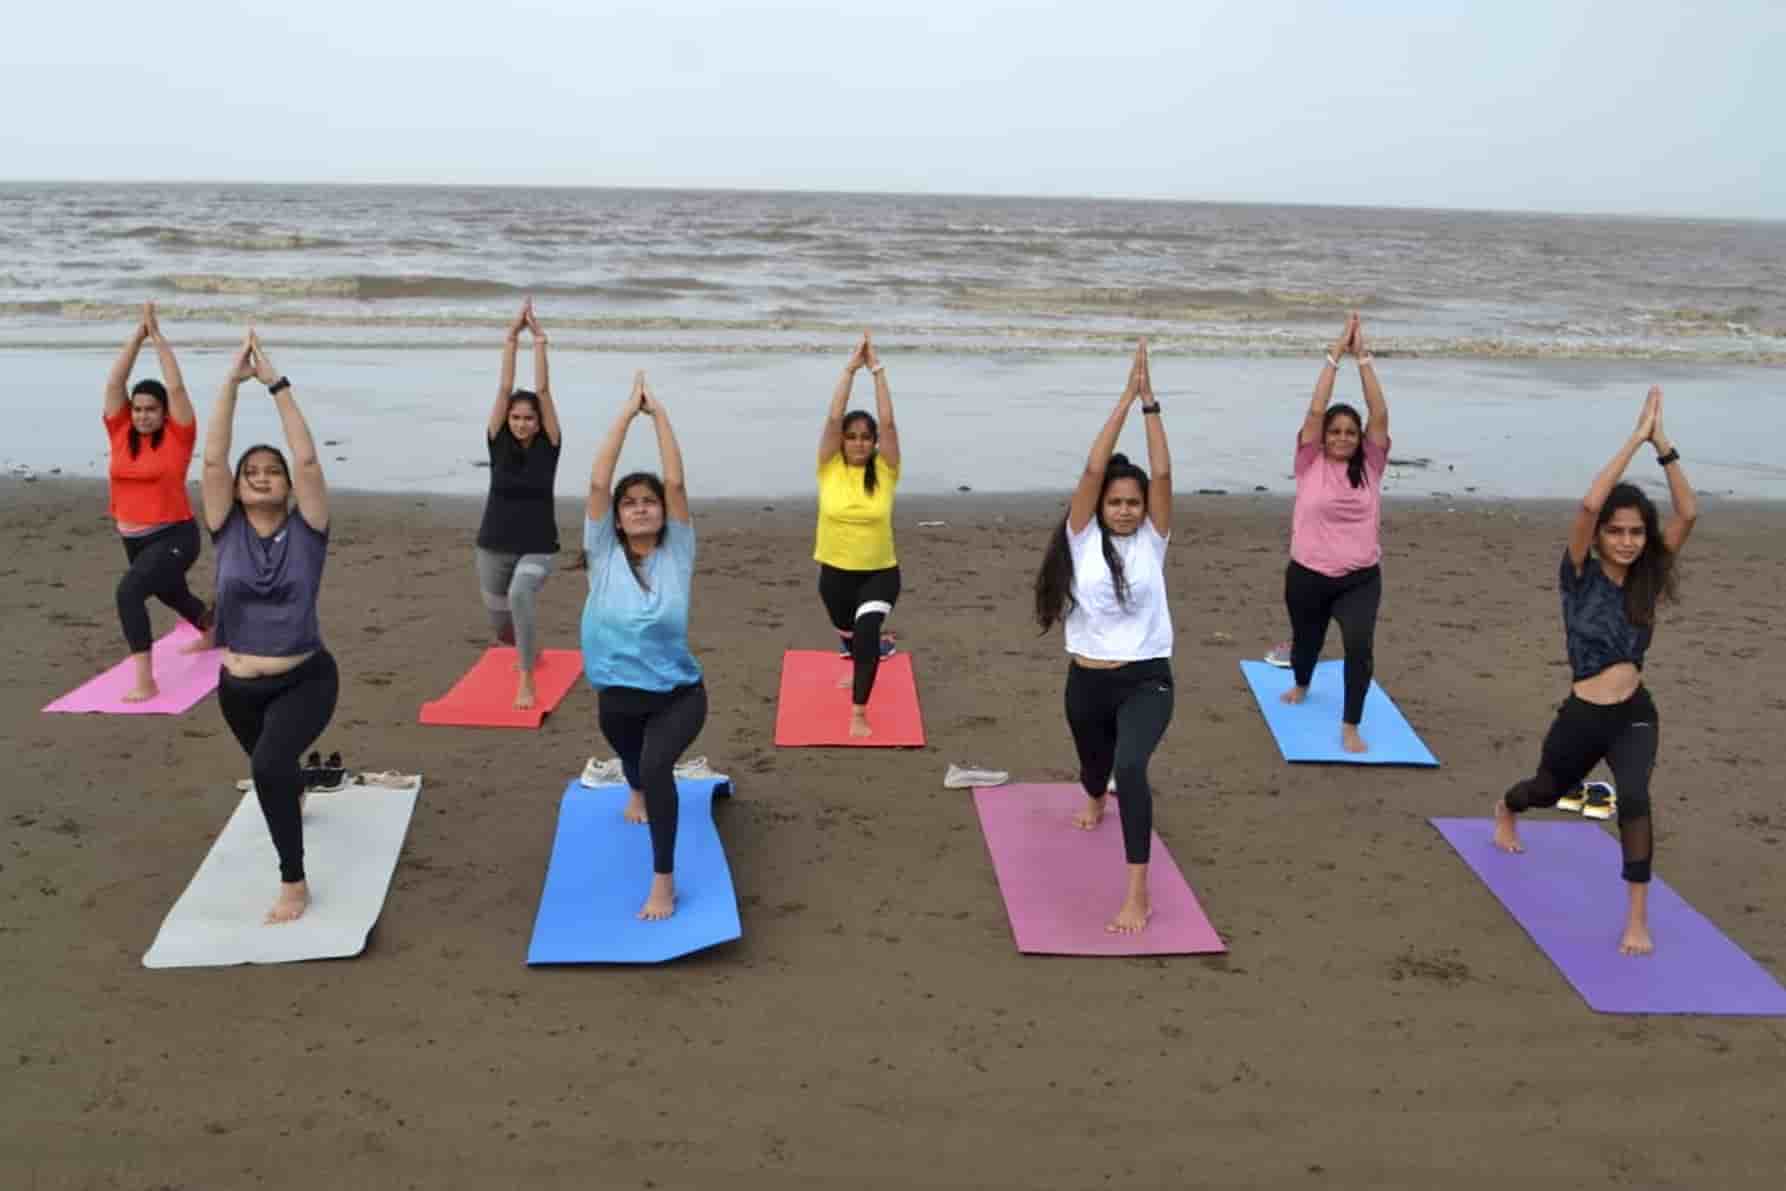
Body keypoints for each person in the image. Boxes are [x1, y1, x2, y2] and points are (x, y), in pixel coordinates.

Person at [1494, 386, 1696, 956]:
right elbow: (1587, 506)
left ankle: (1636, 917)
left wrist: (1665, 446)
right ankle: (1505, 809)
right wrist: (1634, 438)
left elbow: (1688, 513)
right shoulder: (1578, 573)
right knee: (1545, 788)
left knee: (1634, 798)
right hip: (1583, 715)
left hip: (1635, 712)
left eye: (1636, 532)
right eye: (1617, 531)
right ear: (1601, 535)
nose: (1628, 541)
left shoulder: (1648, 573)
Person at [1032, 341, 1173, 934]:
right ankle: (1094, 794)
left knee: (1133, 768)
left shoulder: (1153, 540)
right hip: (1085, 680)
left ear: (1145, 509)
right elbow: (1093, 468)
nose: (1122, 510)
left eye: (1132, 503)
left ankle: (1137, 893)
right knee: (1095, 769)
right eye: (1114, 502)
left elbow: (1162, 471)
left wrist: (1150, 405)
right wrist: (1121, 397)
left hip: (1146, 679)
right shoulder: (1081, 537)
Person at [201, 331, 337, 926]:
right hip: (236, 691)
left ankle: (293, 882)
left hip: (305, 677)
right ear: (235, 486)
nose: (261, 475)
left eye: (270, 471)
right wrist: (229, 387)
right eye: (249, 470)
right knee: (275, 770)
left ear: (286, 487)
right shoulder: (225, 528)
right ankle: (299, 783)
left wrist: (275, 385)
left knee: (265, 769)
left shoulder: (308, 530)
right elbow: (210, 460)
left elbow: (306, 459)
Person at [581, 372, 705, 922]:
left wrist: (657, 417)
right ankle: (632, 786)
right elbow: (596, 485)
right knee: (631, 758)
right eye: (629, 503)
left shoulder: (677, 552)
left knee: (657, 770)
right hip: (616, 698)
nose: (638, 508)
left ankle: (663, 882)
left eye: (647, 502)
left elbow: (676, 484)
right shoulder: (603, 554)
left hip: (678, 692)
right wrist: (621, 416)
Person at [1274, 313, 1392, 754]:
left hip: (1360, 577)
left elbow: (1380, 412)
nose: (1342, 437)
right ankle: (1302, 683)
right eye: (1335, 432)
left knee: (1359, 646)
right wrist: (1333, 355)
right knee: (1306, 642)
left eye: (1350, 432)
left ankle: (1350, 724)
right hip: (1307, 574)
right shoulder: (1309, 462)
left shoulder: (1373, 465)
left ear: (1360, 438)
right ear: (1322, 437)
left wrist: (1363, 358)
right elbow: (1314, 410)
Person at [103, 301, 211, 700]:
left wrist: (160, 339)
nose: (143, 415)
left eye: (152, 409)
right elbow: (115, 384)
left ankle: (145, 682)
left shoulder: (178, 436)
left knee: (129, 592)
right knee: (171, 593)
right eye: (138, 409)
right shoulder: (119, 432)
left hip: (175, 534)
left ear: (165, 413)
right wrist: (137, 337)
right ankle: (215, 628)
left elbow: (178, 387)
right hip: (133, 537)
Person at [476, 298, 563, 709]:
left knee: (521, 595)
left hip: (538, 544)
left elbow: (542, 390)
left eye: (529, 417)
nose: (523, 422)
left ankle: (526, 680)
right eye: (517, 418)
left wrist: (540, 340)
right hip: (493, 545)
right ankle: (528, 649)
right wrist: (510, 338)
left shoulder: (550, 446)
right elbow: (503, 389)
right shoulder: (497, 443)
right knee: (503, 626)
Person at [815, 331, 902, 738]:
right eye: (852, 436)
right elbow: (833, 417)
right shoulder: (829, 467)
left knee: (865, 633)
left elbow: (888, 420)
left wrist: (878, 370)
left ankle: (859, 711)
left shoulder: (886, 471)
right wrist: (850, 369)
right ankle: (858, 649)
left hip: (880, 572)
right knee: (848, 631)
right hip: (834, 573)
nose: (859, 442)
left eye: (866, 437)